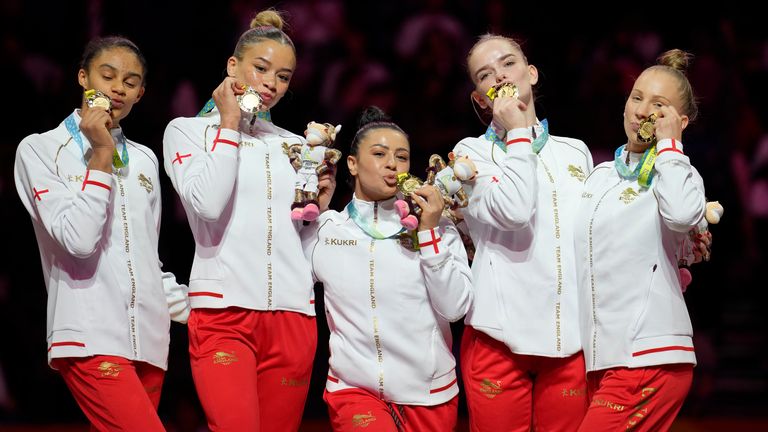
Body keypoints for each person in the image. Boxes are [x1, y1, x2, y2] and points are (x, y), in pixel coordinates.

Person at [163, 9, 332, 431]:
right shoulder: (186, 131)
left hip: (294, 317)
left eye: (284, 75)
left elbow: (306, 247)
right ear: (232, 66)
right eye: (261, 69)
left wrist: (320, 210)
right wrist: (229, 125)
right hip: (224, 314)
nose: (272, 84)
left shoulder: (295, 145)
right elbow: (207, 205)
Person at [14, 36, 189, 431]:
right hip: (89, 335)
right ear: (82, 77)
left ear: (140, 94)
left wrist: (196, 311)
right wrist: (101, 155)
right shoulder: (40, 150)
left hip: (148, 343)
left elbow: (147, 257)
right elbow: (77, 240)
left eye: (130, 82)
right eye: (107, 76)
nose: (117, 88)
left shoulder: (144, 158)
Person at [301, 106, 473, 431]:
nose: (393, 164)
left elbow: (454, 309)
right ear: (352, 163)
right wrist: (312, 213)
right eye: (379, 154)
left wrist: (429, 234)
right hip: (353, 390)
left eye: (402, 157)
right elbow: (288, 284)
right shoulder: (327, 229)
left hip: (430, 394)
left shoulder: (438, 228)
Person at [453, 35, 593, 431]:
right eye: (485, 74)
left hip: (569, 340)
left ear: (530, 73)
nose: (499, 74)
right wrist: (517, 133)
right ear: (481, 99)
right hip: (498, 338)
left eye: (508, 63)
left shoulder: (575, 152)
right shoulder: (469, 154)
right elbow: (514, 212)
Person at [574, 49, 705, 431]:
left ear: (680, 121)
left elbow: (681, 215)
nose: (643, 110)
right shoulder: (599, 176)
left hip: (649, 355)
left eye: (659, 105)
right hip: (605, 358)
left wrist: (669, 147)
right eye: (637, 97)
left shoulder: (680, 174)